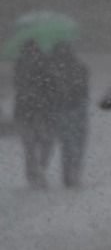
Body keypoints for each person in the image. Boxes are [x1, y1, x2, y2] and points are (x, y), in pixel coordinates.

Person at [45, 43, 90, 188]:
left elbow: (49, 91)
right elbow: (84, 89)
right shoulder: (80, 67)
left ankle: (67, 174)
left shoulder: (52, 70)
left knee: (66, 144)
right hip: (77, 108)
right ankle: (74, 172)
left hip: (60, 109)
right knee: (78, 142)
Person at [13, 41, 55, 189]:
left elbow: (17, 87)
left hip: (24, 111)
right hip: (43, 111)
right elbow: (51, 87)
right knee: (46, 142)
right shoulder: (44, 63)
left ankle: (31, 173)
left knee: (29, 145)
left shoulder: (19, 64)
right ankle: (41, 168)